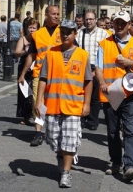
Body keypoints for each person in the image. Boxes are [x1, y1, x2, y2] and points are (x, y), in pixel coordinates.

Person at [35, 20, 93, 188]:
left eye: (69, 32)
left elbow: (88, 81)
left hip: (73, 106)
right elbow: (43, 78)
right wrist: (39, 101)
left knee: (69, 140)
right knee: (54, 140)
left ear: (75, 34)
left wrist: (87, 104)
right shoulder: (51, 53)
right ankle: (61, 158)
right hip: (53, 106)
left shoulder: (83, 55)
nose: (65, 34)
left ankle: (66, 173)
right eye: (63, 31)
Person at [95, 10, 133, 182]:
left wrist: (130, 63)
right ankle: (116, 161)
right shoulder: (104, 44)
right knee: (112, 131)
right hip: (111, 93)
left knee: (130, 131)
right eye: (116, 23)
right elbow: (98, 68)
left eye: (122, 23)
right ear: (112, 24)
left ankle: (130, 166)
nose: (119, 26)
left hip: (132, 94)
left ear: (128, 25)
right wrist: (102, 83)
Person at [18, 5, 61, 147]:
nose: (56, 16)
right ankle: (38, 133)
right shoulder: (38, 34)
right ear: (46, 15)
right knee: (38, 102)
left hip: (58, 75)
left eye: (58, 14)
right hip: (39, 73)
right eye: (53, 14)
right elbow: (31, 55)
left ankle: (56, 132)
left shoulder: (65, 32)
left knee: (57, 103)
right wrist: (23, 74)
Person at [75, 11, 109, 130]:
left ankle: (93, 121)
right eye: (87, 19)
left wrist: (97, 70)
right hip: (82, 69)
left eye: (91, 19)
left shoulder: (103, 34)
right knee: (81, 95)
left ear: (96, 20)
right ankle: (82, 118)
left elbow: (106, 54)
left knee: (95, 97)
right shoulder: (79, 33)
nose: (88, 21)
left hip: (96, 68)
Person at [14, 18, 40, 125]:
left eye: (34, 27)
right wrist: (26, 51)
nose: (32, 30)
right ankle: (25, 116)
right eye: (30, 27)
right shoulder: (23, 39)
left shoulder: (39, 39)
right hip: (24, 66)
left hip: (36, 67)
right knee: (24, 93)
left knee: (35, 93)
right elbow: (16, 52)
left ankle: (36, 116)